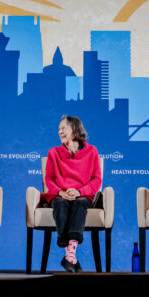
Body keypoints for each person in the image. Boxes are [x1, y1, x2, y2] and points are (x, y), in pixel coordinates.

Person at [44, 116, 102, 273]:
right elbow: (49, 180)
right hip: (60, 195)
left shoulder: (92, 151)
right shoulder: (53, 152)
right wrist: (60, 192)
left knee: (80, 203)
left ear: (75, 131)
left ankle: (70, 256)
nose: (59, 132)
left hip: (82, 195)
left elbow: (97, 179)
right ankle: (71, 257)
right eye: (58, 129)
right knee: (60, 203)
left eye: (63, 128)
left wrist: (80, 192)